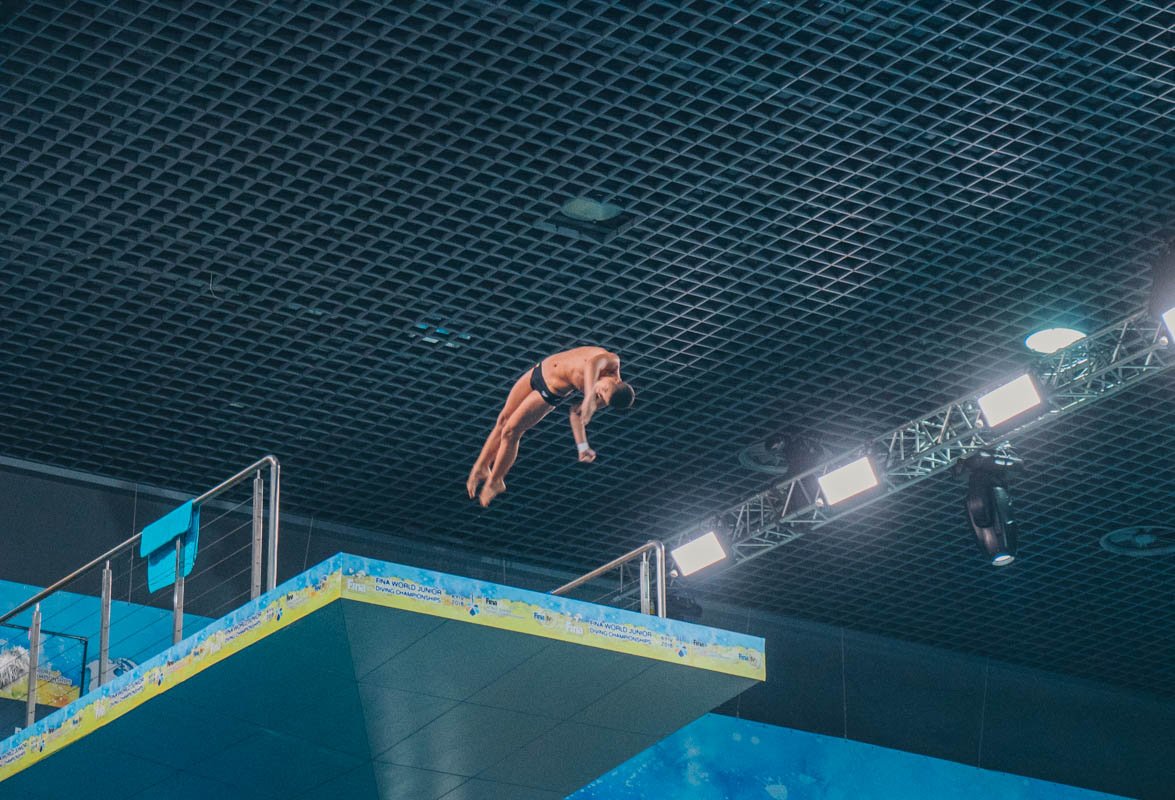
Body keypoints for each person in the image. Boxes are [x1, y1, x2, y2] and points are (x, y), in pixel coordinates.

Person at [467, 346, 636, 507]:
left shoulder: (598, 399)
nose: (599, 393)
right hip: (541, 370)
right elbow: (592, 363)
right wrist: (590, 396)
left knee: (511, 432)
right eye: (604, 390)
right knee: (502, 420)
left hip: (550, 392)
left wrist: (583, 446)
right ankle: (481, 466)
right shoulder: (612, 362)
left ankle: (496, 480)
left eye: (601, 396)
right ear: (615, 381)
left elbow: (575, 414)